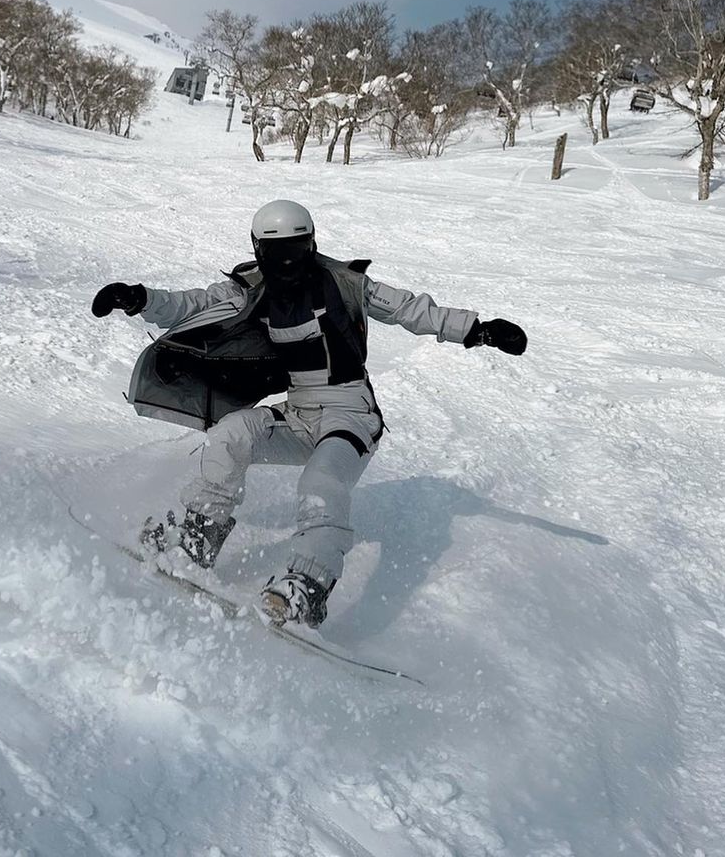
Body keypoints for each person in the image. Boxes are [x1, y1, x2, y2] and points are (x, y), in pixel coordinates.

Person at [91, 200, 527, 628]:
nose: (286, 263)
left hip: (350, 411)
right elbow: (192, 304)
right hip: (299, 410)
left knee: (321, 482)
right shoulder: (251, 286)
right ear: (258, 249)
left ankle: (308, 585)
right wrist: (140, 298)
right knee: (232, 432)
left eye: (296, 251)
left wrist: (477, 329)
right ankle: (198, 535)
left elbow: (410, 309)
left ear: (312, 244)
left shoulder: (347, 283)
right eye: (275, 253)